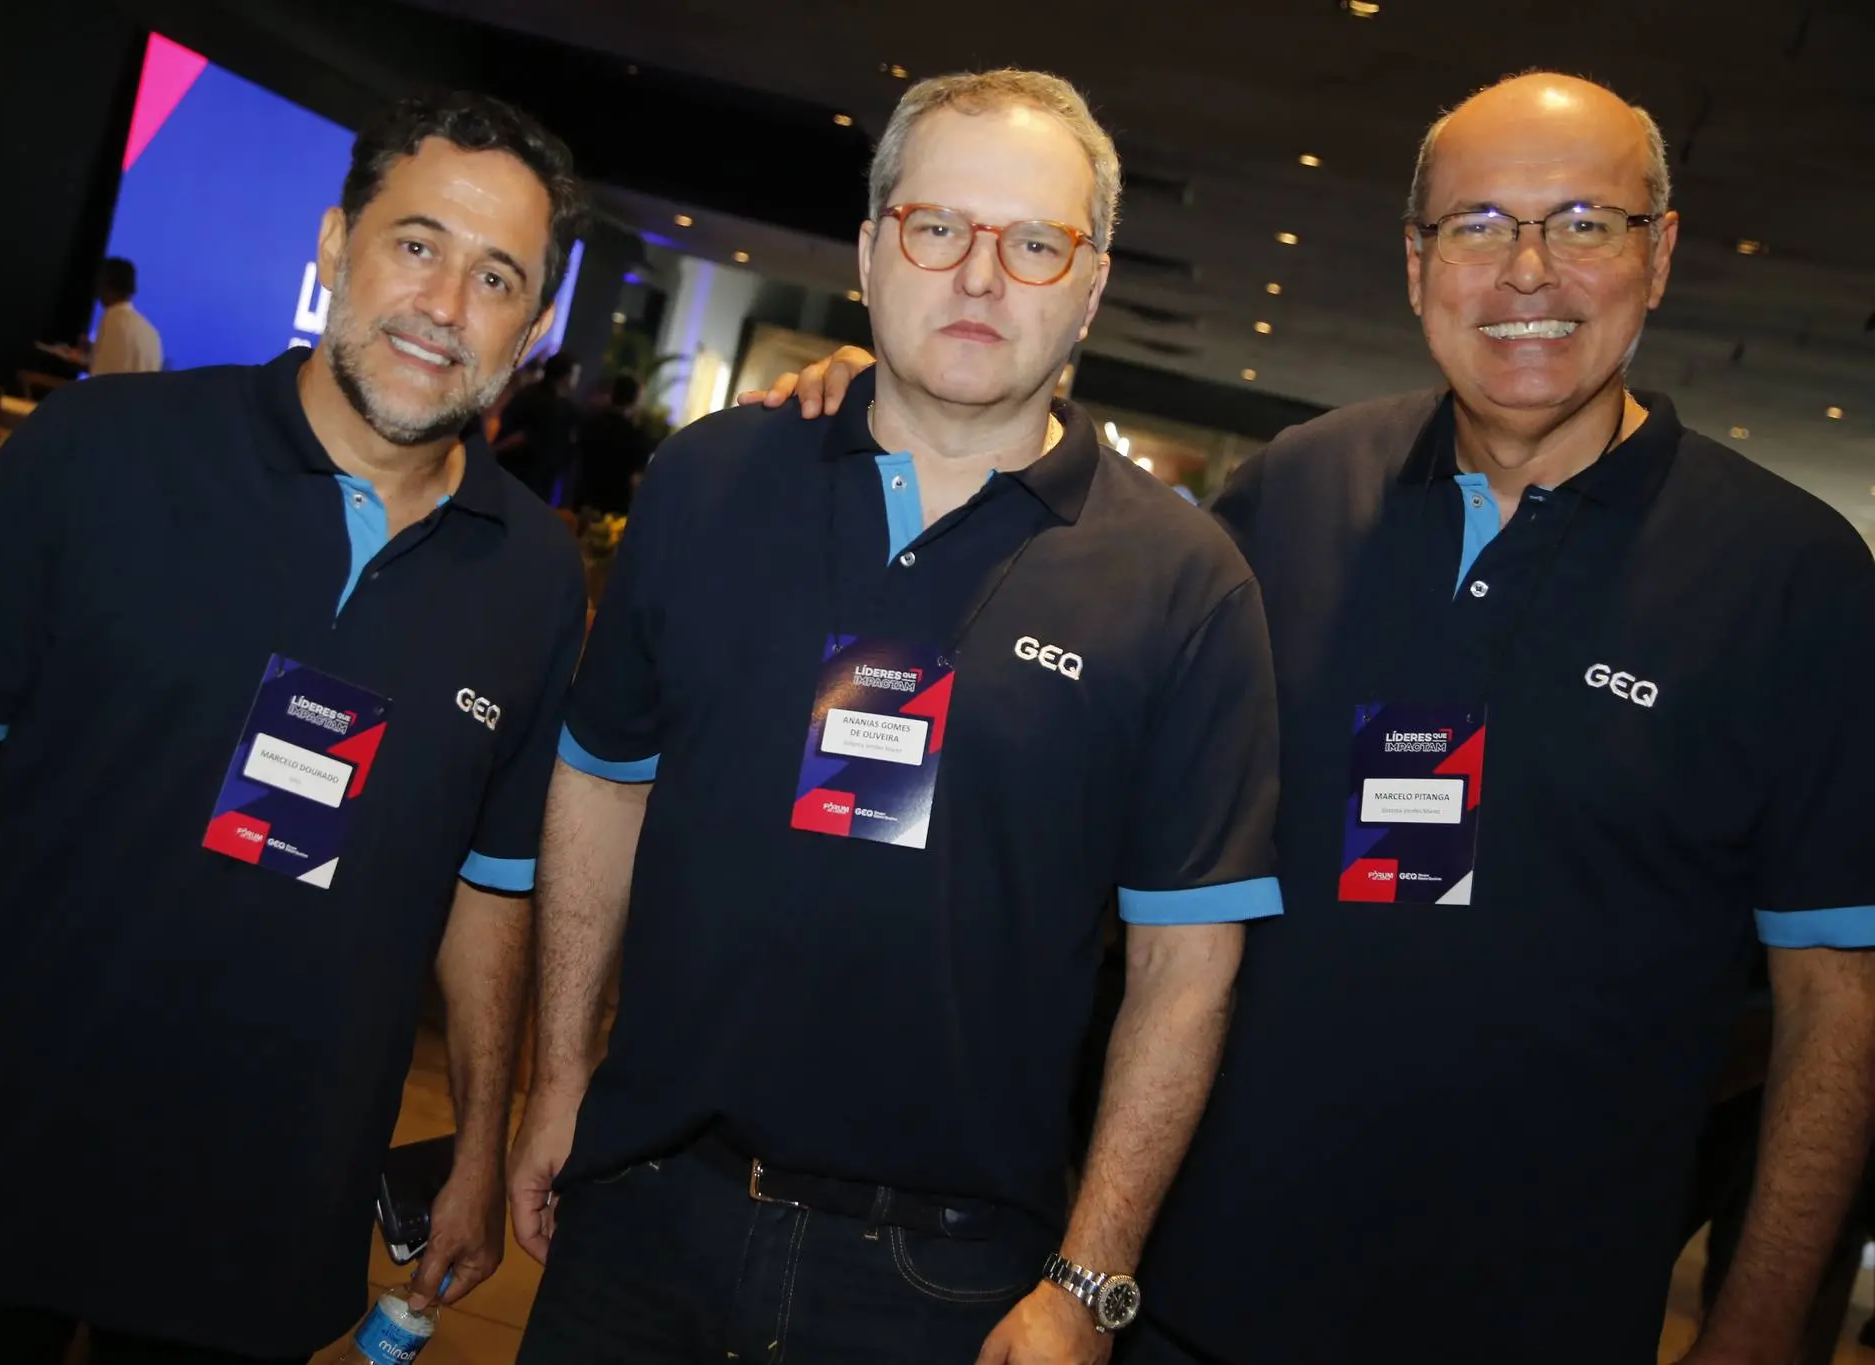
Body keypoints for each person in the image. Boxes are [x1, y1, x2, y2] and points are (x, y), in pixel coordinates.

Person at [750, 70, 1875, 1365]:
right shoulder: (1293, 496)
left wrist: (1755, 1332)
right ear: (1415, 262)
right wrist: (900, 401)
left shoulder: (1790, 583)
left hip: (1537, 1322)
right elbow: (1077, 692)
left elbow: (1836, 1008)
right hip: (1187, 1299)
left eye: (1583, 223)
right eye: (1476, 225)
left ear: (1657, 253)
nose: (1527, 272)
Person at [509, 68, 1281, 1365]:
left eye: (1033, 243)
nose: (979, 276)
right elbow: (601, 779)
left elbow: (1185, 963)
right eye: (938, 227)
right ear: (872, 251)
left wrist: (1092, 1276)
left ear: (1090, 285)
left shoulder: (1184, 586)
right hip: (641, 1207)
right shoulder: (709, 481)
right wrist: (559, 1074)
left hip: (946, 1283)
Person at [0, 90, 589, 1364]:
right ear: (334, 244)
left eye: (496, 277)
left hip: (262, 1218)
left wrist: (477, 1146)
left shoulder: (533, 579)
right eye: (416, 244)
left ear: (533, 325)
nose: (445, 305)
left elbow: (491, 890)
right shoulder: (103, 451)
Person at [494, 348, 580, 502]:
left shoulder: (528, 394)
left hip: (509, 473)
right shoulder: (557, 407)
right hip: (533, 479)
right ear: (566, 376)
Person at [570, 373, 653, 515]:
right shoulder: (637, 437)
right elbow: (635, 480)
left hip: (583, 502)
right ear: (635, 401)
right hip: (614, 512)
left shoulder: (590, 424)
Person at [85, 257, 163, 375]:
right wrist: (94, 350)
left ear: (104, 284)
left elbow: (101, 379)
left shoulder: (112, 320)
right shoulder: (152, 333)